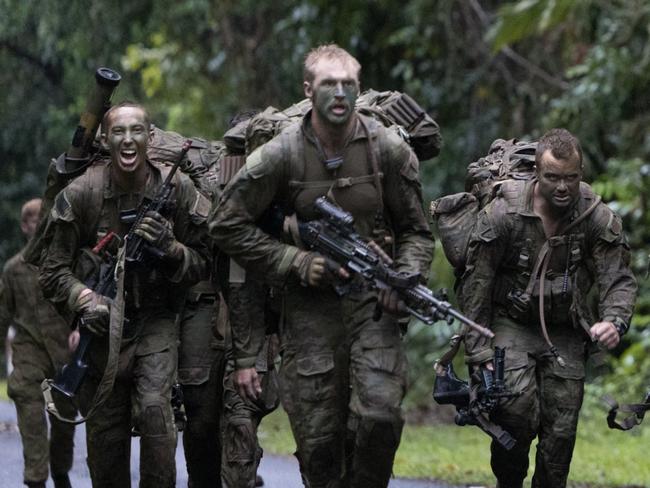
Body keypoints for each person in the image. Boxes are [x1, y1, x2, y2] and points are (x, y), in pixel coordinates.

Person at [209, 44, 434, 487]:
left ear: (358, 88)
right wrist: (294, 260)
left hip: (373, 307)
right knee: (319, 444)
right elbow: (225, 224)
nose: (339, 93)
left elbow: (417, 233)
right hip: (309, 312)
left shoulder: (386, 150)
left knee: (380, 417)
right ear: (308, 90)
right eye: (329, 84)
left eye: (348, 84)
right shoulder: (279, 156)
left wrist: (404, 278)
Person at [39, 101, 210, 488]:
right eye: (119, 131)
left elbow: (205, 264)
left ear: (150, 138)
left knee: (155, 414)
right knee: (106, 440)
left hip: (155, 320)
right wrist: (85, 299)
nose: (128, 139)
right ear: (105, 138)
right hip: (100, 332)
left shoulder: (178, 188)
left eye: (137, 131)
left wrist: (172, 249)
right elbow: (51, 272)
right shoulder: (83, 194)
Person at [459, 128, 637, 487]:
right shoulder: (504, 213)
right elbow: (476, 284)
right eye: (552, 177)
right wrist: (478, 353)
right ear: (537, 173)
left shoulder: (595, 216)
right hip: (511, 321)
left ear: (581, 173)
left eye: (571, 178)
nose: (562, 187)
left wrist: (614, 321)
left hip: (565, 328)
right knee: (515, 412)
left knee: (560, 434)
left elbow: (616, 277)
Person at [0, 198, 76, 488]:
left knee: (65, 420)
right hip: (28, 352)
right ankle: (36, 479)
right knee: (31, 417)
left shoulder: (64, 264)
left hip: (63, 353)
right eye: (33, 220)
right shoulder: (13, 269)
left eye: (43, 220)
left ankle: (60, 472)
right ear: (24, 226)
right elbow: (3, 314)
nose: (39, 225)